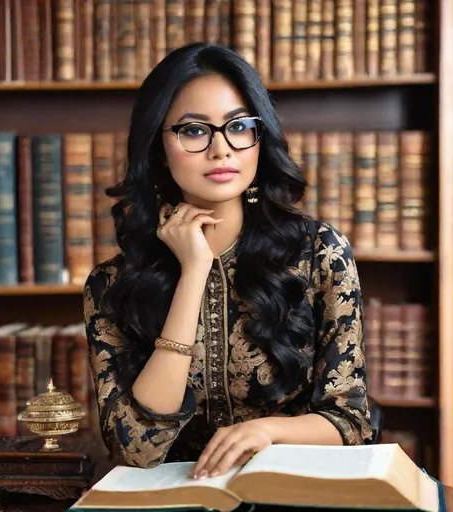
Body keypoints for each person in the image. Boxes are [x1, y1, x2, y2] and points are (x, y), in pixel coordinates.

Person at [83, 42, 373, 481]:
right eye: (194, 131)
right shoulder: (111, 284)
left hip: (291, 494)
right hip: (175, 499)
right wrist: (193, 271)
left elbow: (353, 422)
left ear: (260, 137)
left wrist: (266, 431)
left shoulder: (319, 253)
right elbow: (135, 449)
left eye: (238, 126)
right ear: (158, 148)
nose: (221, 149)